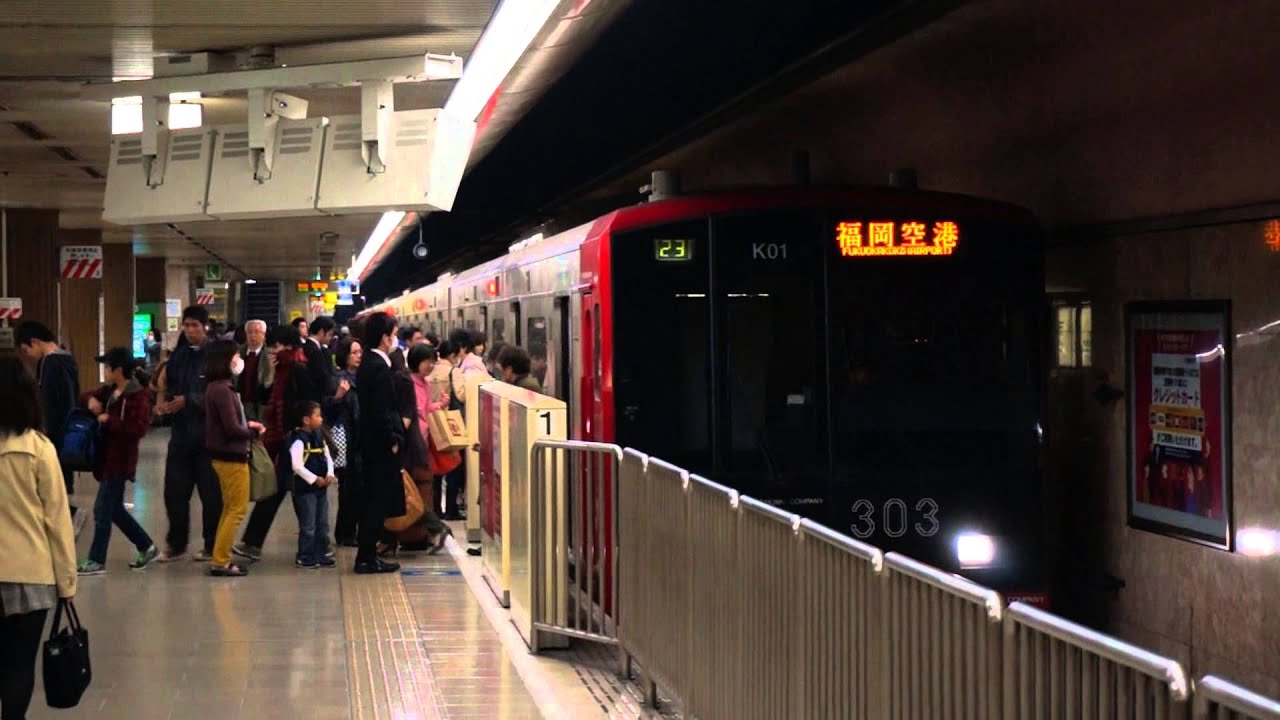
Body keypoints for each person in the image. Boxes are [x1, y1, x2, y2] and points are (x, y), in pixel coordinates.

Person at [0, 356, 76, 720]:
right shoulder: (39, 449)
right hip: (30, 574)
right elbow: (57, 521)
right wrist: (67, 581)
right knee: (19, 665)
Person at [233, 325, 315, 563]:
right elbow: (265, 395)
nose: (272, 350)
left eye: (276, 346)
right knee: (288, 491)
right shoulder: (279, 369)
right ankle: (255, 542)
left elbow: (304, 403)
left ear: (287, 346)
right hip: (282, 439)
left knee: (288, 491)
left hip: (293, 440)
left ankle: (254, 542)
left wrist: (297, 432)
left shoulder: (297, 368)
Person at [76, 348, 158, 575]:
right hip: (106, 459)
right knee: (114, 510)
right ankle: (147, 546)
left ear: (118, 370)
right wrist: (91, 400)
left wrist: (109, 420)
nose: (105, 371)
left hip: (120, 461)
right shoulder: (110, 391)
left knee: (102, 509)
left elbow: (138, 429)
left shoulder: (137, 397)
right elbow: (83, 397)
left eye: (107, 366)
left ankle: (97, 560)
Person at [156, 306, 221, 562]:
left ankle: (212, 544)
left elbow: (221, 394)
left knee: (211, 494)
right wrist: (164, 405)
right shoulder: (179, 356)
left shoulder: (216, 355)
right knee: (174, 491)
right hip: (181, 435)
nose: (190, 330)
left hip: (208, 437)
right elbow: (168, 387)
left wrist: (190, 400)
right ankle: (177, 543)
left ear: (206, 326)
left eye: (195, 325)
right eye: (187, 325)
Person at [204, 340, 263, 577]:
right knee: (237, 510)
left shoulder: (216, 387)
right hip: (231, 456)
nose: (239, 360)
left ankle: (220, 556)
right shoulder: (222, 390)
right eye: (236, 356)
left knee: (230, 509)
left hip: (223, 454)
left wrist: (247, 425)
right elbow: (231, 428)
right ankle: (221, 561)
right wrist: (253, 432)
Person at [355, 312, 406, 574]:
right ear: (385, 338)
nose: (396, 340)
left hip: (372, 444)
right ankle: (366, 558)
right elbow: (380, 410)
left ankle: (368, 555)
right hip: (380, 446)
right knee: (377, 502)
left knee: (373, 501)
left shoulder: (369, 362)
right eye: (394, 334)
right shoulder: (377, 367)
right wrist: (392, 440)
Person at [16, 320, 81, 515]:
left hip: (55, 434)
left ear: (35, 342)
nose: (28, 356)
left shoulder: (49, 363)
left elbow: (48, 405)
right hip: (68, 432)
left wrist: (43, 433)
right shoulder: (67, 358)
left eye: (26, 350)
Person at [401, 343, 452, 553]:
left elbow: (424, 409)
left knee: (414, 492)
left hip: (420, 444)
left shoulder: (425, 383)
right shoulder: (409, 384)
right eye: (427, 362)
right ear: (416, 362)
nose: (431, 366)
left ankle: (432, 529)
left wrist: (440, 404)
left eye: (433, 362)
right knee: (412, 491)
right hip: (412, 444)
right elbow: (415, 412)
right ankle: (432, 529)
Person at [289, 402, 336, 569]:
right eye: (317, 415)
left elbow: (327, 456)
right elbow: (297, 465)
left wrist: (330, 473)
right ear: (306, 420)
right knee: (308, 524)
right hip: (305, 489)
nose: (321, 419)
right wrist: (314, 479)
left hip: (321, 488)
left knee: (322, 523)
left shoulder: (319, 437)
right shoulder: (299, 440)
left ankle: (320, 553)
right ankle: (305, 555)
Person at [328, 337, 363, 546]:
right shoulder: (337, 379)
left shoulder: (362, 377)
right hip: (346, 438)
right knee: (349, 487)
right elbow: (329, 412)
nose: (358, 356)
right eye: (354, 352)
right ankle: (345, 532)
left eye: (360, 352)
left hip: (360, 437)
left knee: (356, 487)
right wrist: (338, 397)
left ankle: (350, 531)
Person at [429, 340, 465, 520]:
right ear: (452, 356)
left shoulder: (430, 370)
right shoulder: (453, 371)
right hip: (449, 424)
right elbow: (461, 395)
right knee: (453, 467)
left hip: (432, 422)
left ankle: (436, 509)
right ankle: (451, 509)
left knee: (435, 468)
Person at [239, 319, 273, 421]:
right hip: (241, 401)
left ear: (264, 335)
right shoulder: (238, 354)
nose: (253, 336)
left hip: (261, 404)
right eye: (249, 332)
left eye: (257, 332)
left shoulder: (270, 355)